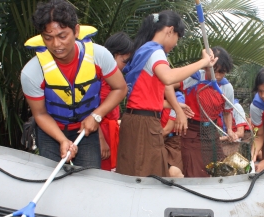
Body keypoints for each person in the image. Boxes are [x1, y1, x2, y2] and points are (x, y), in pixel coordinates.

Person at [21, 0, 127, 167]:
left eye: (62, 36)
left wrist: (96, 115)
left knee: (89, 181)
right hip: (50, 132)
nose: (56, 45)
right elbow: (40, 114)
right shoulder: (32, 72)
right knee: (51, 179)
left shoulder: (99, 56)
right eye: (48, 38)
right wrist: (62, 140)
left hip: (86, 132)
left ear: (76, 30)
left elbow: (120, 88)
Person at [116, 10, 217, 177]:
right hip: (144, 124)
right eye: (178, 37)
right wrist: (203, 62)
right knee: (147, 176)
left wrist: (176, 107)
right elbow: (169, 78)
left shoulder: (145, 50)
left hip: (138, 121)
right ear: (170, 30)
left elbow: (163, 87)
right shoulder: (155, 52)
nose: (176, 43)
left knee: (137, 172)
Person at [179, 46, 234, 177]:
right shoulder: (193, 77)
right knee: (194, 172)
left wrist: (230, 130)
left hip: (211, 133)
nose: (219, 76)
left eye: (223, 72)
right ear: (207, 66)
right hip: (191, 131)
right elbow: (168, 85)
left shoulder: (226, 87)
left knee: (219, 171)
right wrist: (176, 106)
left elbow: (227, 111)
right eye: (216, 71)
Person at [99, 32, 133, 171]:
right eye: (124, 61)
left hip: (111, 132)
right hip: (100, 132)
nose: (125, 66)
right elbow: (89, 112)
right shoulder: (99, 79)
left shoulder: (114, 80)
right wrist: (101, 140)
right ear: (112, 56)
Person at [161, 91, 186, 177]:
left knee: (173, 173)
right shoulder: (154, 96)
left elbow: (167, 129)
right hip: (158, 140)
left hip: (173, 141)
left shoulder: (178, 99)